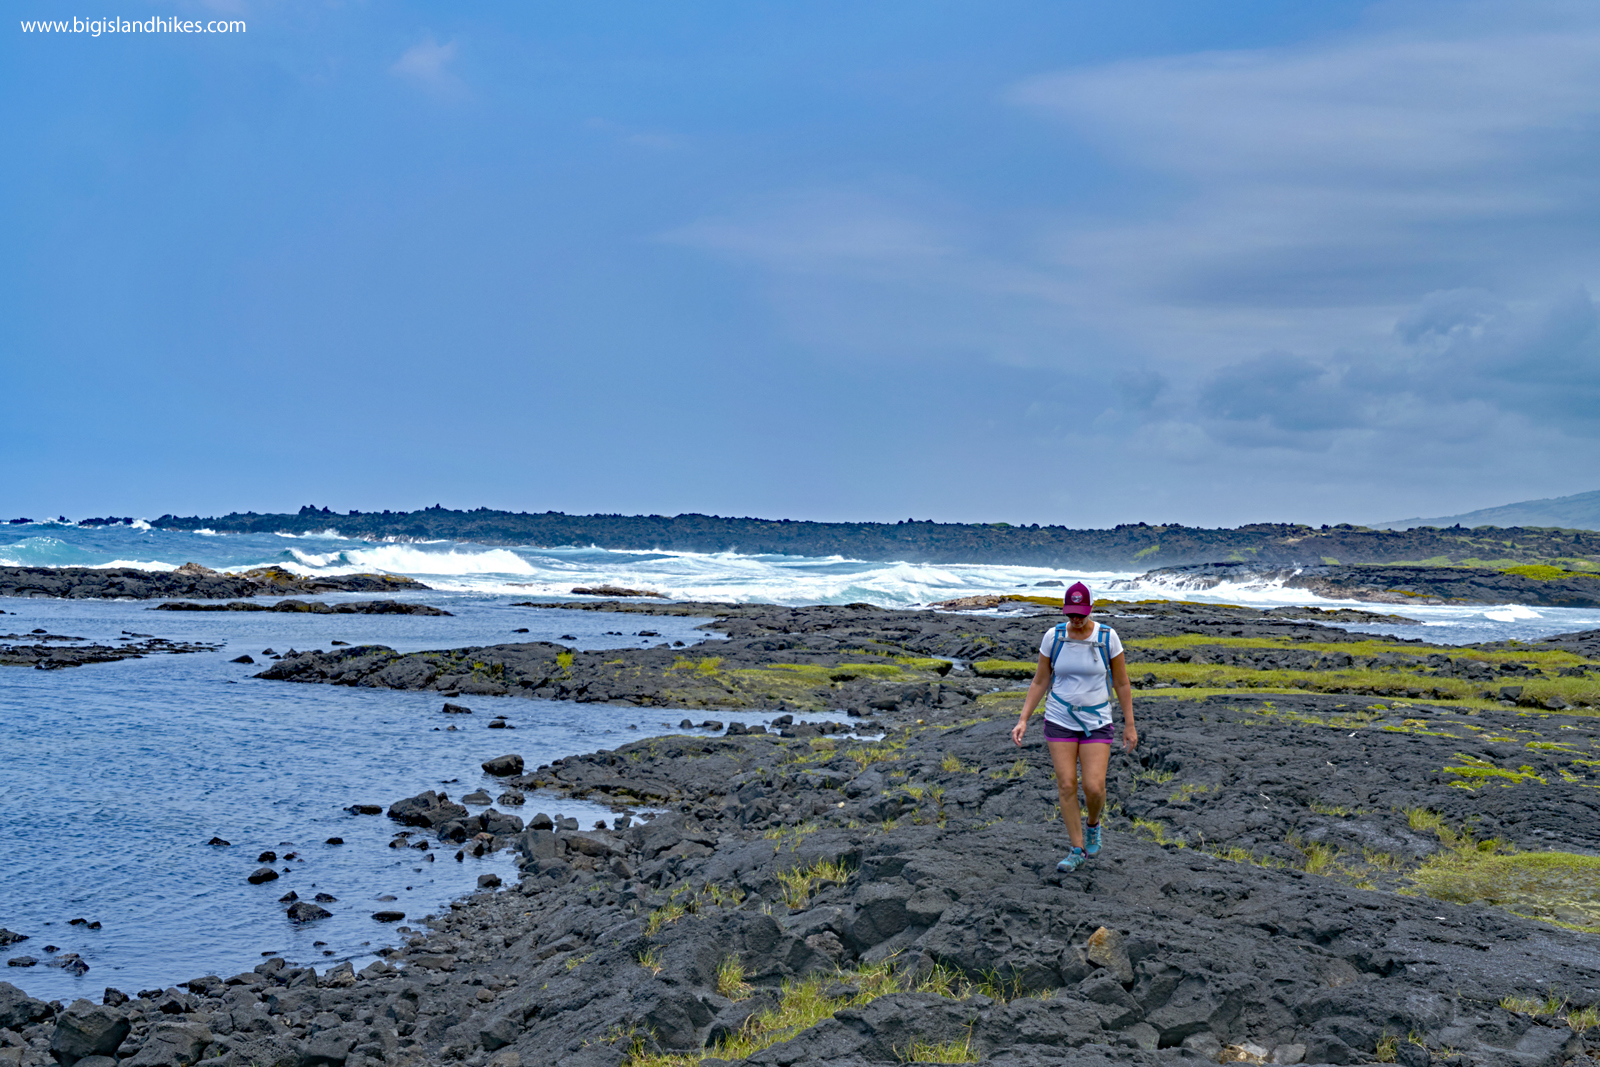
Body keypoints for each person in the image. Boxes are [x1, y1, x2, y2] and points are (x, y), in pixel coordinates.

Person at [1010, 581, 1138, 873]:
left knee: (1094, 787)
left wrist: (1129, 725)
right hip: (1059, 718)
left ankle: (1093, 824)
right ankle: (1077, 849)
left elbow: (1121, 682)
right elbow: (1040, 680)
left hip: (1097, 721)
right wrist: (1023, 719)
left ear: (1091, 609)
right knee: (1067, 784)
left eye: (1081, 614)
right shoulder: (1053, 637)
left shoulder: (1108, 637)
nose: (1076, 620)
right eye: (1071, 614)